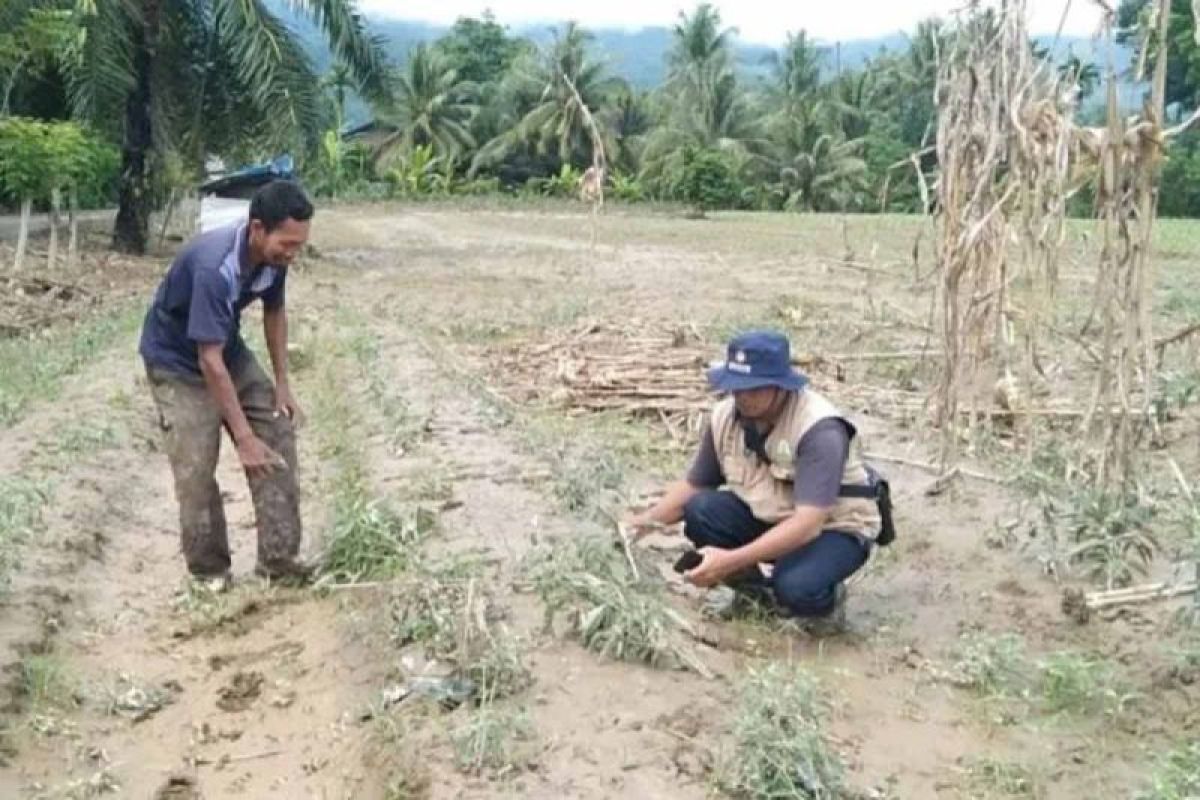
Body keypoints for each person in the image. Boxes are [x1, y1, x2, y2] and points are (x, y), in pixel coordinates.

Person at [626, 330, 881, 630]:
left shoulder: (820, 431)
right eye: (737, 388)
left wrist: (728, 561)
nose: (743, 397)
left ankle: (825, 601)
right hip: (772, 514)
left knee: (795, 586)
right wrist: (637, 527)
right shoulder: (724, 417)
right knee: (701, 509)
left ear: (780, 386)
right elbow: (695, 485)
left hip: (832, 528)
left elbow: (808, 524)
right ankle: (753, 595)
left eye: (754, 389)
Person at [139, 180, 314, 590]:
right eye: (286, 244)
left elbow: (275, 312)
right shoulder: (214, 268)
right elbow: (208, 362)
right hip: (178, 363)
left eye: (298, 246)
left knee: (278, 433)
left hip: (226, 350)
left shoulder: (275, 261)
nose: (291, 254)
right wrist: (243, 437)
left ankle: (279, 560)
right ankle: (209, 571)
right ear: (257, 229)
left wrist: (283, 385)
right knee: (196, 465)